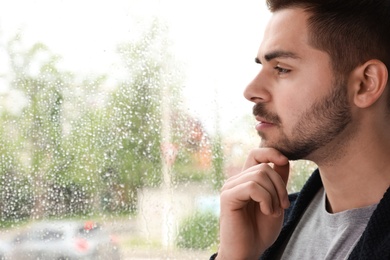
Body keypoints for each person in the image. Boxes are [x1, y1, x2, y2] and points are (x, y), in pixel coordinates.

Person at [211, 0, 390, 259]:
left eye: (281, 69)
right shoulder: (270, 225)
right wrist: (237, 255)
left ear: (365, 84)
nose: (251, 91)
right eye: (260, 66)